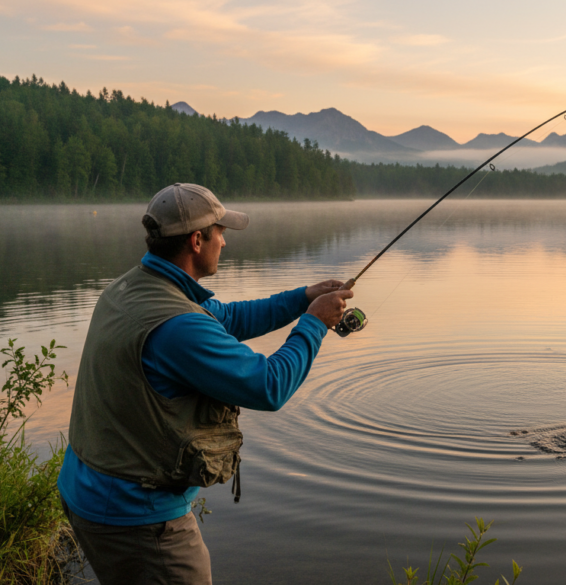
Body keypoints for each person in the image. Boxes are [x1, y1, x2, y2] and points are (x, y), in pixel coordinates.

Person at [57, 183, 353, 584]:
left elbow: (227, 317)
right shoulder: (177, 325)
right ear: (198, 240)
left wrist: (303, 298)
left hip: (88, 491)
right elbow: (268, 386)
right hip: (137, 517)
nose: (225, 242)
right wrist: (315, 323)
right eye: (221, 232)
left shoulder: (132, 287)